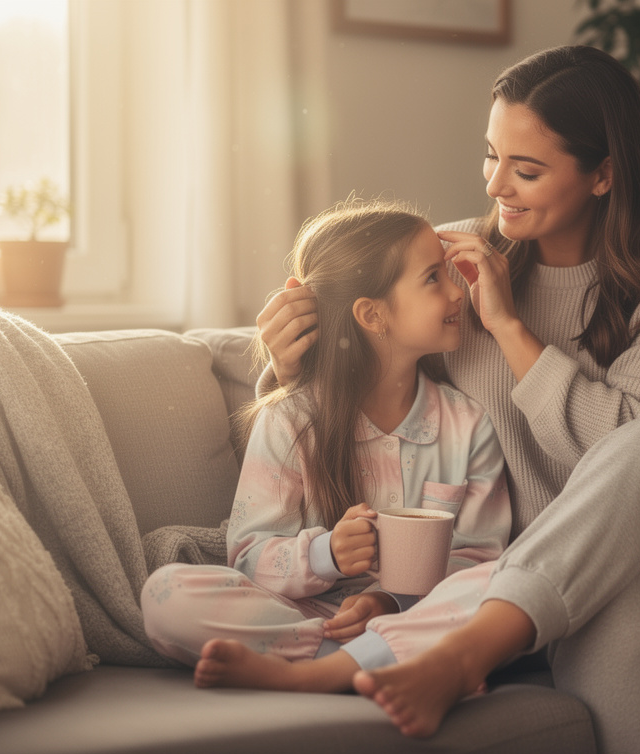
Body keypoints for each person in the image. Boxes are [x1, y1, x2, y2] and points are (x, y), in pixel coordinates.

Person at [257, 45, 640, 754]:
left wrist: (507, 328)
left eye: (526, 170)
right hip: (529, 579)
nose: (497, 186)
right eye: (491, 156)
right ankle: (488, 636)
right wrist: (288, 366)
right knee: (618, 624)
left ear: (604, 173)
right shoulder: (449, 264)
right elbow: (369, 384)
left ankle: (464, 657)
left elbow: (621, 451)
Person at [140, 199, 512, 694]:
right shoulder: (289, 420)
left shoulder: (468, 424)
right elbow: (249, 556)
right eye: (433, 278)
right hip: (308, 614)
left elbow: (480, 556)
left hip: (416, 613)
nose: (457, 292)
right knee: (167, 593)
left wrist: (388, 602)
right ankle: (365, 659)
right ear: (372, 315)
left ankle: (329, 667)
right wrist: (326, 555)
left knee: (509, 583)